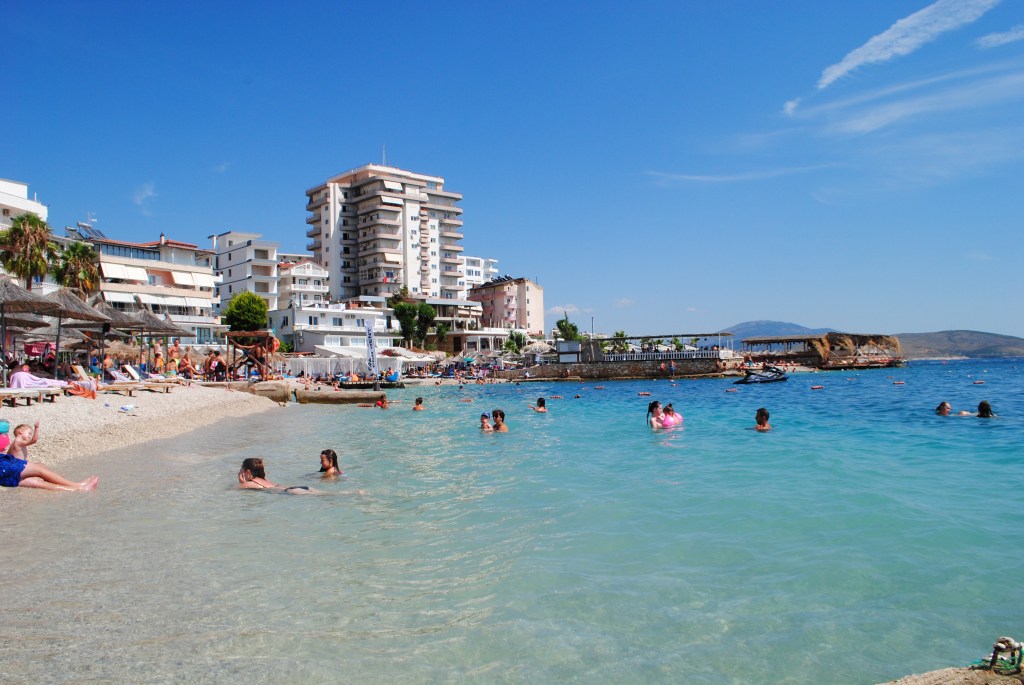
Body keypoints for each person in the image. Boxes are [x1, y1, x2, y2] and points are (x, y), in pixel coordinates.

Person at [0, 451, 99, 492]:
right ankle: (77, 486)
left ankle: (76, 489)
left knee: (35, 482)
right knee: (39, 470)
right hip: (2, 466)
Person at [237, 457, 314, 494]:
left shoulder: (248, 484)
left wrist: (242, 484)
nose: (239, 472)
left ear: (247, 472)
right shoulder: (265, 480)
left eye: (241, 469)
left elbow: (231, 490)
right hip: (298, 488)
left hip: (291, 492)